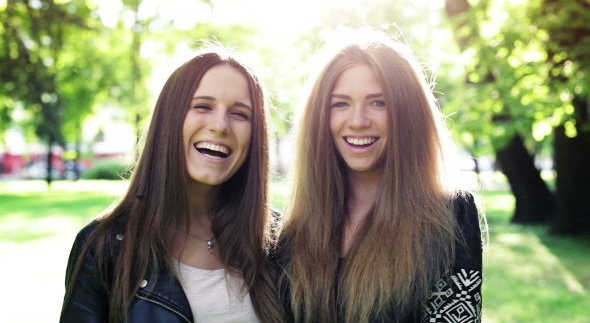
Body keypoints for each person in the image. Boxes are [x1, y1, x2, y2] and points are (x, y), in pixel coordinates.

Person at [277, 29, 486, 323]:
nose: (359, 121)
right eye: (341, 104)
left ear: (408, 113)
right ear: (320, 117)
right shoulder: (290, 234)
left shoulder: (451, 217)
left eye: (379, 103)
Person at [60, 47, 282, 323]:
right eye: (202, 106)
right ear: (170, 118)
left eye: (240, 114)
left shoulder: (280, 243)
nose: (220, 125)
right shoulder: (103, 248)